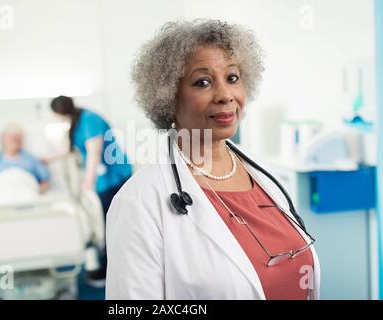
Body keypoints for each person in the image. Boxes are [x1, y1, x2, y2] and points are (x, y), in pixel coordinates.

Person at [106, 19, 320, 300]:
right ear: (168, 98)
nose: (225, 95)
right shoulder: (139, 202)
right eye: (203, 82)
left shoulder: (266, 176)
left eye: (232, 78)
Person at [49, 96, 133, 288]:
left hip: (115, 179)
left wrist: (87, 183)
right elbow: (72, 150)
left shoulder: (89, 120)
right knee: (106, 226)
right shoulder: (78, 122)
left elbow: (94, 153)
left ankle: (110, 271)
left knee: (111, 227)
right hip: (104, 182)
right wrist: (49, 158)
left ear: (58, 112)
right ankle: (109, 269)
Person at [0, 123, 50, 200]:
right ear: (3, 139)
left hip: (26, 194)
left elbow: (44, 180)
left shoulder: (31, 159)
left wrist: (38, 193)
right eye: (11, 136)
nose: (15, 139)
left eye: (18, 137)